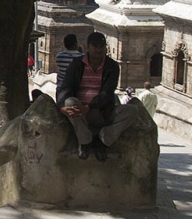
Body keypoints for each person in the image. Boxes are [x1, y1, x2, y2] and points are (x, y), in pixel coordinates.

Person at [57, 31, 137, 161]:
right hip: (80, 111)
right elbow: (65, 87)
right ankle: (85, 141)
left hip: (102, 110)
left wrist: (90, 106)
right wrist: (61, 107)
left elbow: (107, 92)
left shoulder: (112, 66)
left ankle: (104, 140)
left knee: (132, 111)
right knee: (70, 102)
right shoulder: (76, 64)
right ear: (88, 47)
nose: (98, 49)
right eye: (95, 46)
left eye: (101, 46)